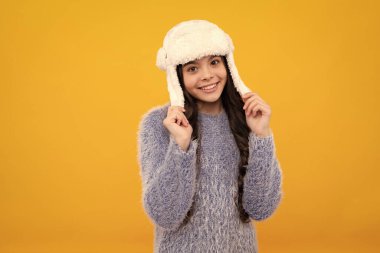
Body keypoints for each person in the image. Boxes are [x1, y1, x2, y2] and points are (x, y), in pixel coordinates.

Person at [137, 19, 283, 253]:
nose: (207, 75)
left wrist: (261, 135)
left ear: (228, 66)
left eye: (214, 62)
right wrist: (181, 147)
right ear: (177, 77)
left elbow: (261, 208)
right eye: (192, 68)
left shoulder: (247, 119)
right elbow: (165, 215)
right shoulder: (158, 124)